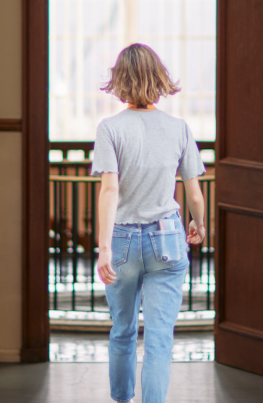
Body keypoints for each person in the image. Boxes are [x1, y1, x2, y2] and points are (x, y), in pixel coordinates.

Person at [91, 43, 207, 403]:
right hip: (168, 238)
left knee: (122, 332)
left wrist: (105, 246)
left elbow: (109, 191)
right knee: (159, 338)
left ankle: (122, 400)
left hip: (123, 239)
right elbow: (194, 194)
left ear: (120, 82)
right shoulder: (179, 128)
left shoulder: (109, 129)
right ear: (159, 79)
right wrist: (199, 225)